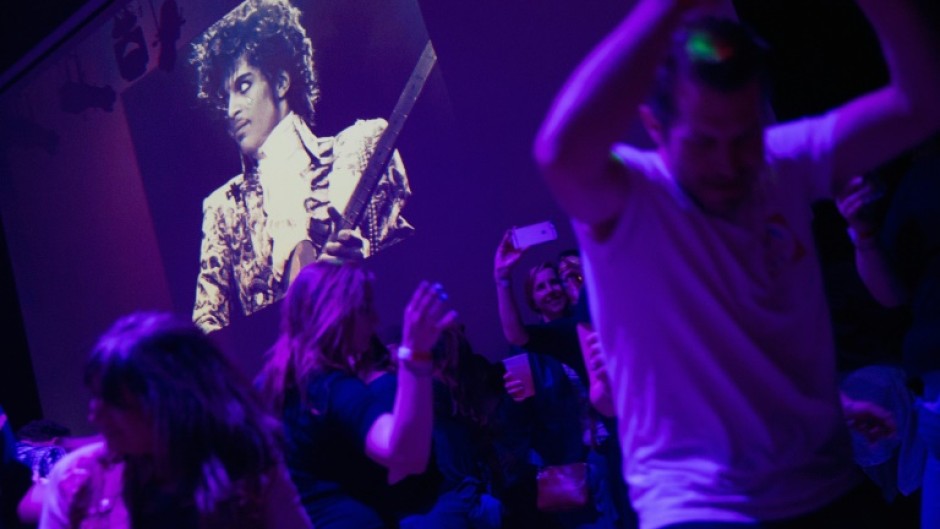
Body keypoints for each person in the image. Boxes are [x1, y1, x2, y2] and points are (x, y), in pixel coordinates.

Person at [534, 0, 940, 527]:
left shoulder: (783, 164)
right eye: (703, 142)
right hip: (703, 509)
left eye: (744, 137)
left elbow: (921, 104)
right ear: (655, 125)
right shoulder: (630, 199)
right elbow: (559, 152)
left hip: (827, 487)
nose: (728, 164)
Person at [190, 0, 414, 333]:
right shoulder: (223, 206)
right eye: (225, 98)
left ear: (280, 82)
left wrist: (363, 259)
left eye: (243, 86)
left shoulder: (357, 148)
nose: (232, 109)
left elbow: (409, 267)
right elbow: (206, 322)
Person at [39, 312, 310, 529]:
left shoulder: (247, 468)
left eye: (114, 402)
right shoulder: (77, 481)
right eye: (95, 397)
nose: (94, 415)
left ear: (169, 403)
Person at [256, 261, 456, 529]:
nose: (375, 321)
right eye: (365, 309)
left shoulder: (267, 387)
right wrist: (415, 356)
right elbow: (407, 454)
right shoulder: (332, 388)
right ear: (338, 314)